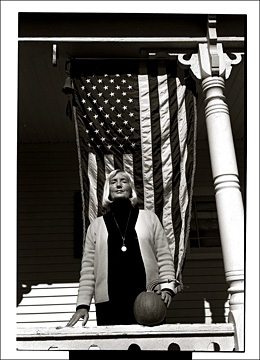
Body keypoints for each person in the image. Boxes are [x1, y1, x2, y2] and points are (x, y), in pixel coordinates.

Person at [66, 169, 177, 327]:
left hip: (148, 301)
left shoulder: (149, 218)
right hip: (110, 304)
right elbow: (88, 270)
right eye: (113, 182)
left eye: (123, 181)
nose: (118, 185)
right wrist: (83, 305)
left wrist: (167, 288)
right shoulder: (96, 226)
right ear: (108, 191)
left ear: (131, 188)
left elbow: (164, 257)